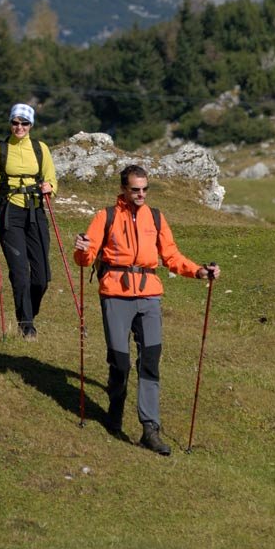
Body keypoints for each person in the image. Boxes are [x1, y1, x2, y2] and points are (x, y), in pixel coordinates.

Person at [74, 163, 221, 455]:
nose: (141, 194)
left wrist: (200, 272)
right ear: (123, 189)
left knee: (150, 361)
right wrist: (81, 248)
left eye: (144, 189)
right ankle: (114, 410)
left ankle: (150, 429)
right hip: (115, 293)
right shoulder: (106, 216)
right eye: (135, 190)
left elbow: (171, 255)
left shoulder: (155, 217)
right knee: (120, 362)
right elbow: (86, 258)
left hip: (150, 296)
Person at [0, 103, 57, 339]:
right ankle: (26, 324)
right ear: (10, 123)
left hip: (36, 212)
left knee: (42, 278)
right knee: (19, 273)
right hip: (11, 213)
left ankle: (29, 313)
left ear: (31, 125)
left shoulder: (40, 149)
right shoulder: (0, 149)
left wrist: (49, 187)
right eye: (15, 122)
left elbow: (51, 180)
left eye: (24, 123)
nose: (19, 127)